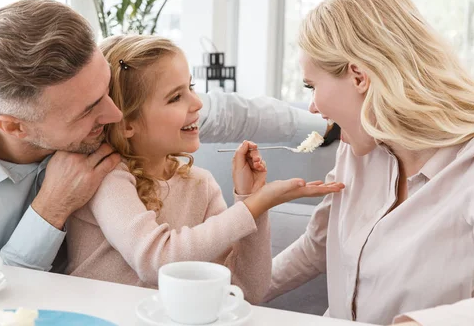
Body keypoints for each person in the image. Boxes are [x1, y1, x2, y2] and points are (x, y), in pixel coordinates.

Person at [0, 0, 337, 272]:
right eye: (91, 108)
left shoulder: (105, 106)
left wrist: (329, 124)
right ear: (16, 126)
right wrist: (49, 211)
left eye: (106, 89)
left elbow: (229, 111)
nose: (111, 113)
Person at [264, 0, 474, 325]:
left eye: (312, 86)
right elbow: (316, 247)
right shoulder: (358, 147)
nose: (312, 106)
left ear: (358, 77)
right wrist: (230, 292)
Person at [65, 35, 344, 302]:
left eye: (191, 88)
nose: (197, 103)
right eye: (175, 97)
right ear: (126, 123)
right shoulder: (107, 179)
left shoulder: (201, 184)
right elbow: (158, 261)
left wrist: (251, 201)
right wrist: (251, 208)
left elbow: (246, 290)